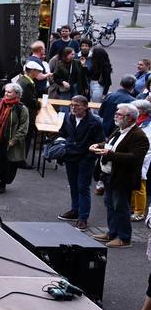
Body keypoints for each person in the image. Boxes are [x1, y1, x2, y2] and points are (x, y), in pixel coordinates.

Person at [90, 103, 149, 248]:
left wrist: (110, 154)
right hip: (109, 175)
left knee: (121, 207)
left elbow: (134, 157)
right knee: (110, 205)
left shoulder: (139, 136)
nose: (115, 115)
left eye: (119, 114)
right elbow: (111, 144)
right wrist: (99, 145)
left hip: (123, 178)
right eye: (117, 113)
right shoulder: (119, 129)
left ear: (129, 118)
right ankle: (112, 232)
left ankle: (124, 238)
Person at [57, 95, 106, 231]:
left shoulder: (94, 123)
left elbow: (101, 141)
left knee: (83, 188)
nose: (73, 107)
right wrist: (61, 144)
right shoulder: (69, 117)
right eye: (72, 105)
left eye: (77, 105)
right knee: (73, 186)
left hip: (85, 160)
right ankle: (75, 211)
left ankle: (83, 218)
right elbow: (63, 132)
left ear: (85, 106)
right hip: (70, 158)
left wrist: (90, 155)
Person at [0, 83, 29, 193]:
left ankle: (2, 184)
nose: (6, 94)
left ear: (17, 94)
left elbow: (23, 127)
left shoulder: (21, 109)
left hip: (9, 142)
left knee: (6, 164)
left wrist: (14, 140)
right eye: (5, 91)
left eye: (9, 92)